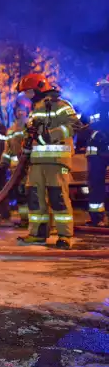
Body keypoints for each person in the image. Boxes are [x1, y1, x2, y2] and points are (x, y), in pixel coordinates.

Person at [16, 73, 83, 249]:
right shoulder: (35, 110)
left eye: (29, 92)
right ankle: (37, 234)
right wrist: (26, 143)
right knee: (35, 199)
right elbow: (30, 134)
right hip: (37, 163)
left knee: (58, 197)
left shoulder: (61, 105)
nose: (27, 96)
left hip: (56, 161)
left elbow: (74, 125)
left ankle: (64, 236)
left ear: (39, 88)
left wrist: (50, 135)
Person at [1, 98, 33, 228]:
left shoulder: (31, 127)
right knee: (21, 195)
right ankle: (24, 220)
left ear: (27, 112)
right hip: (16, 169)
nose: (20, 113)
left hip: (30, 166)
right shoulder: (11, 130)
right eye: (18, 111)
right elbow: (7, 148)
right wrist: (4, 162)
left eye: (23, 111)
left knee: (32, 193)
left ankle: (34, 220)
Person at [83, 77, 109, 227]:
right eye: (102, 89)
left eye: (108, 89)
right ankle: (96, 218)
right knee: (95, 184)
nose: (105, 92)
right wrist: (93, 134)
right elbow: (81, 128)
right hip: (96, 154)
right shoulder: (91, 107)